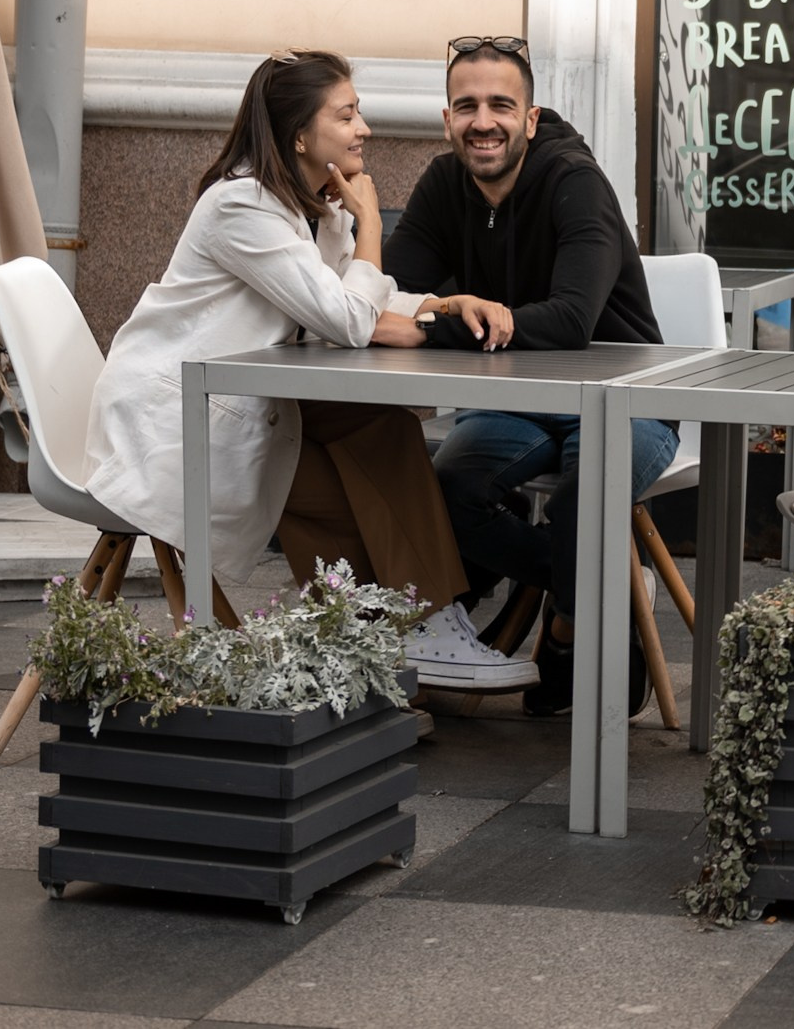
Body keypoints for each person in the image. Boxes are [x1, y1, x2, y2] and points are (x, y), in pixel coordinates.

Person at [82, 49, 534, 691]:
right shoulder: (240, 208)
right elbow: (348, 317)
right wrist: (370, 221)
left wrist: (442, 305)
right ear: (299, 135)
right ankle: (405, 635)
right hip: (173, 431)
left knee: (379, 428)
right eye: (346, 115)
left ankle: (397, 639)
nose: (363, 129)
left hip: (243, 409)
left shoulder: (307, 208)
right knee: (356, 452)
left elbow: (357, 298)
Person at [385, 36, 680, 718]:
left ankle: (567, 629)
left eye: (500, 105)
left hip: (623, 396)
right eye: (466, 106)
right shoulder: (444, 184)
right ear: (447, 119)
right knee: (447, 490)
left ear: (531, 117)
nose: (483, 121)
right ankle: (604, 585)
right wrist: (369, 223)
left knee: (585, 501)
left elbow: (571, 320)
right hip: (512, 400)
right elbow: (385, 295)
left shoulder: (575, 181)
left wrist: (436, 323)